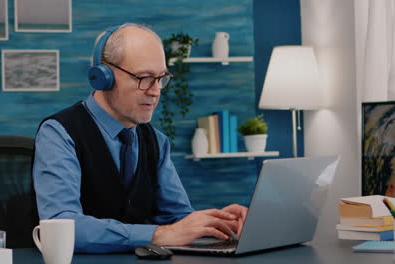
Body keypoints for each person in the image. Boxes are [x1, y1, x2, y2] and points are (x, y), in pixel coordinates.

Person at [32, 23, 248, 253]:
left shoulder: (157, 141)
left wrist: (219, 223)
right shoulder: (58, 133)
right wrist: (159, 234)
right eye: (144, 78)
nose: (155, 91)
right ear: (102, 76)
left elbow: (178, 218)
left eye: (161, 78)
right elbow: (61, 225)